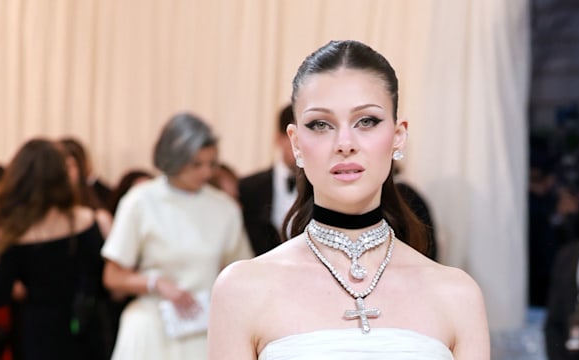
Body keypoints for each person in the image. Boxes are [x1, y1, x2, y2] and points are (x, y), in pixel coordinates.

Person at [208, 40, 490, 359]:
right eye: (321, 124)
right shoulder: (242, 289)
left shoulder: (457, 294)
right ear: (296, 143)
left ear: (398, 136)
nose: (345, 143)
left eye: (366, 121)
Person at [101, 113, 253, 359]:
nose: (205, 172)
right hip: (151, 326)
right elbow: (113, 276)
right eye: (196, 164)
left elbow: (240, 270)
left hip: (202, 327)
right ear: (173, 159)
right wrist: (156, 283)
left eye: (211, 163)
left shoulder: (224, 208)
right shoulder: (140, 201)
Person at [0, 138, 109, 360]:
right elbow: (102, 284)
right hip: (84, 324)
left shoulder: (15, 231)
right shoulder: (86, 221)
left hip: (36, 331)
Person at [238, 104, 297, 256]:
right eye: (294, 138)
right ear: (279, 138)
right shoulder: (248, 188)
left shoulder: (324, 188)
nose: (301, 146)